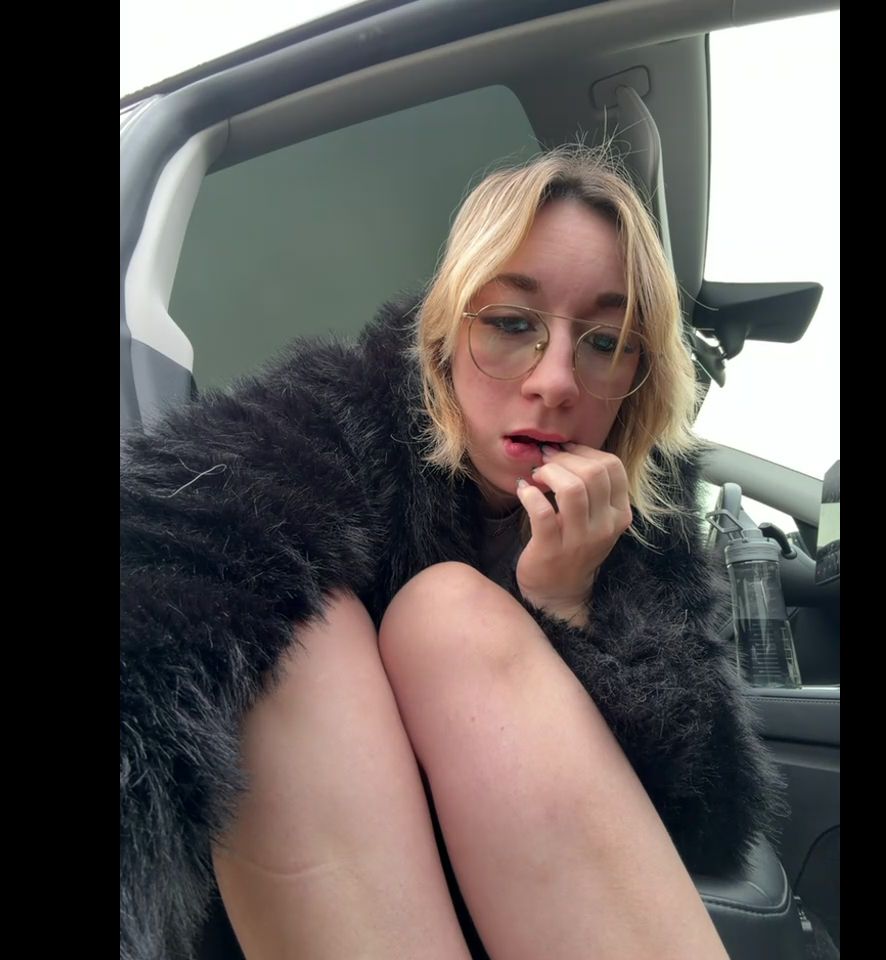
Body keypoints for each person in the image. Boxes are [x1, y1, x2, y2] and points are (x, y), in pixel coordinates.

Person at [120, 145, 782, 960]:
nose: (557, 381)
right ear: (442, 337)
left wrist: (566, 606)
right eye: (511, 325)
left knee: (448, 617)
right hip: (346, 902)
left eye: (607, 342)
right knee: (313, 624)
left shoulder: (650, 515)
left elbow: (712, 817)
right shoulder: (342, 421)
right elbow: (165, 578)